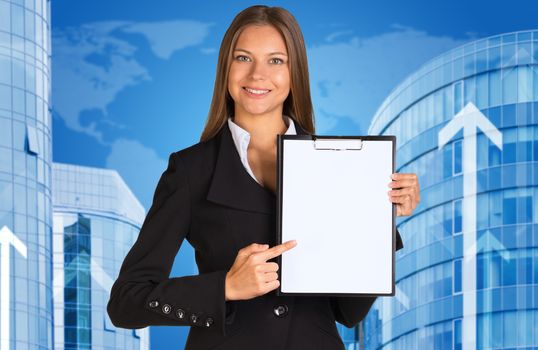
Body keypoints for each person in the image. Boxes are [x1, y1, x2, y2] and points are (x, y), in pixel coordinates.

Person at [107, 5, 420, 350]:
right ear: (226, 67)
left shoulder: (340, 167)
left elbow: (347, 311)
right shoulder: (191, 170)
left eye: (276, 60)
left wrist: (380, 221)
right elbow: (126, 302)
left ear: (294, 72)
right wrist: (225, 287)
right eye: (243, 58)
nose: (258, 74)